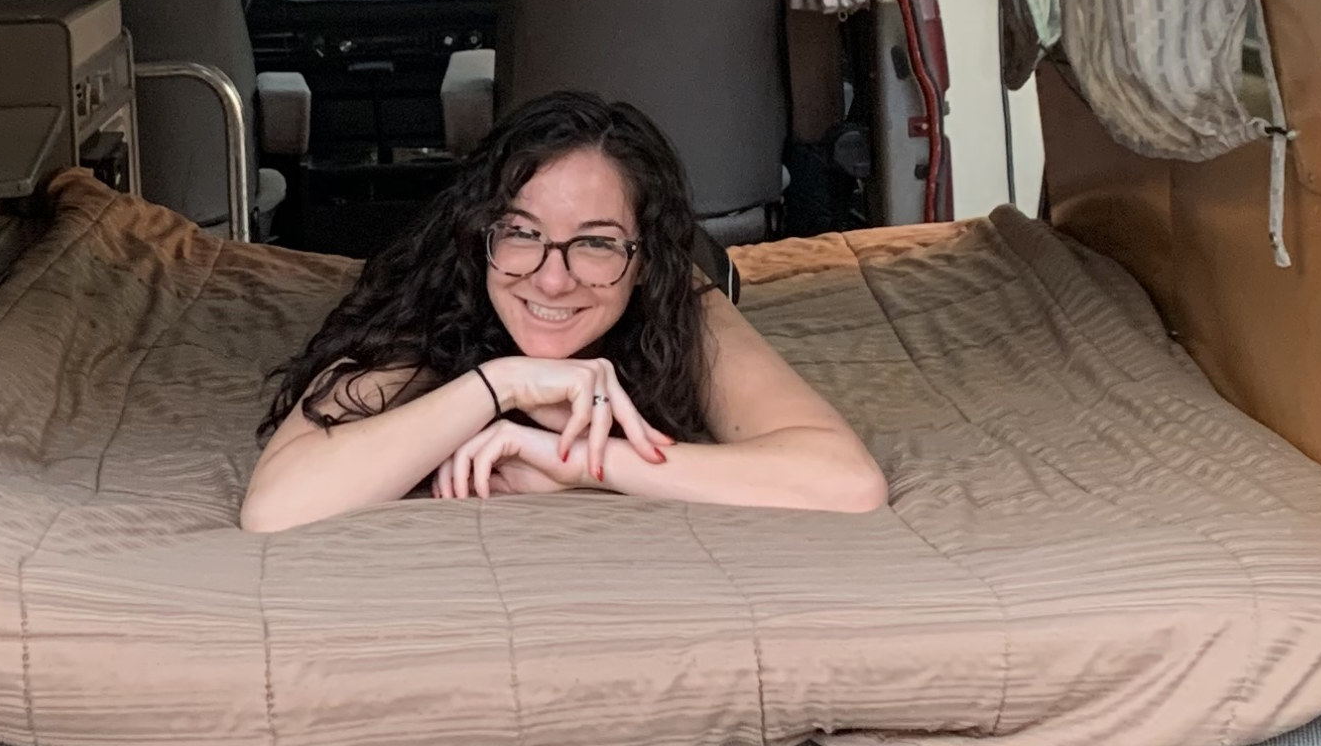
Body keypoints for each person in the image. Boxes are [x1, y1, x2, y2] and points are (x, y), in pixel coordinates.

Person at [241, 87, 889, 535]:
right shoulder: (440, 303)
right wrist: (501, 385)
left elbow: (845, 483)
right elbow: (276, 505)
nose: (553, 279)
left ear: (642, 257)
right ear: (481, 234)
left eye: (597, 242)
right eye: (522, 233)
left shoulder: (678, 302)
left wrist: (576, 461)